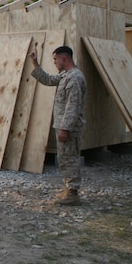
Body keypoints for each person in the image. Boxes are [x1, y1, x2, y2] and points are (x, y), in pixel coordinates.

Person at [29, 45, 87, 206]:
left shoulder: (74, 78)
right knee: (64, 158)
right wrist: (35, 63)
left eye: (55, 59)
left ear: (64, 58)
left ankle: (73, 193)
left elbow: (72, 106)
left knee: (69, 158)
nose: (54, 62)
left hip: (69, 128)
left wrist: (64, 129)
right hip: (64, 126)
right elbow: (48, 80)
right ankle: (69, 189)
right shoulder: (65, 76)